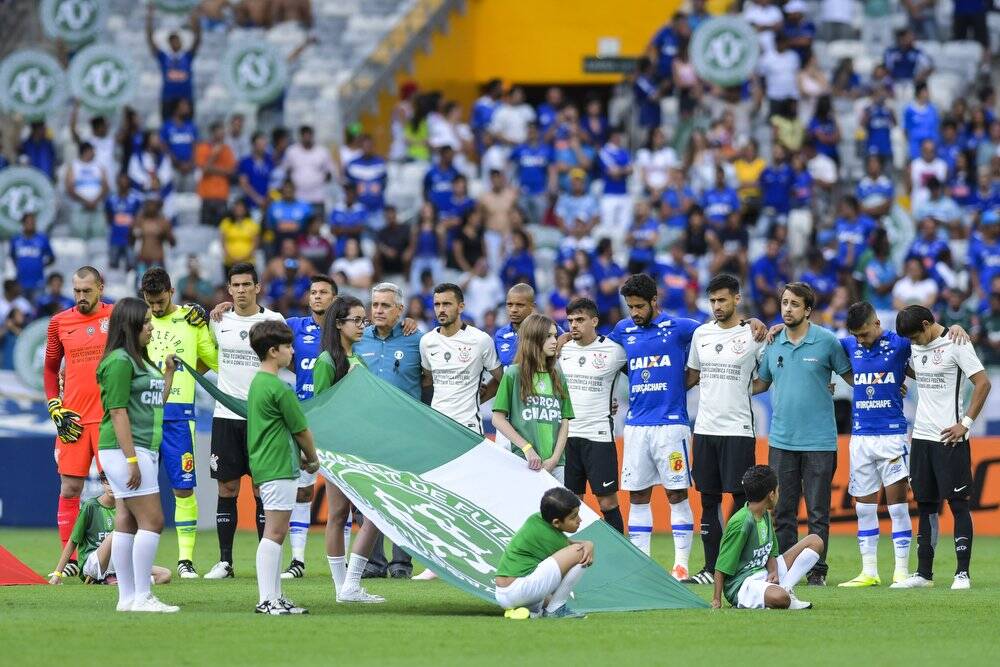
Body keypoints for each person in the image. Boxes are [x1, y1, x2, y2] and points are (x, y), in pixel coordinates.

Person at [836, 302, 963, 587]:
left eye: (865, 334)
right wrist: (776, 327)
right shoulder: (847, 344)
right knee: (863, 509)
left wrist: (954, 328)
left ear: (877, 324)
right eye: (856, 336)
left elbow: (930, 338)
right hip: (860, 437)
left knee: (897, 507)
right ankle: (869, 572)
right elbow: (815, 342)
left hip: (892, 435)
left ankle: (901, 571)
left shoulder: (900, 344)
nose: (860, 340)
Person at [753, 282, 853, 586]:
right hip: (781, 440)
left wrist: (886, 383)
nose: (787, 309)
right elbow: (761, 384)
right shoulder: (773, 343)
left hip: (820, 441)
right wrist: (726, 384)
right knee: (782, 510)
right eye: (784, 303)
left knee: (818, 512)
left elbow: (852, 376)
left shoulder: (827, 342)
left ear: (808, 310)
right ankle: (784, 569)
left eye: (795, 304)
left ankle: (816, 572)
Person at [892, 306, 992, 590]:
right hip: (921, 437)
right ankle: (924, 574)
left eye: (915, 337)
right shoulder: (916, 345)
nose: (912, 343)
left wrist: (966, 423)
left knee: (958, 504)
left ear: (926, 324)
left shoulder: (957, 342)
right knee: (925, 505)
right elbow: (921, 372)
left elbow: (983, 382)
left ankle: (962, 574)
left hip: (950, 437)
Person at [608, 273, 700, 577]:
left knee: (676, 494)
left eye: (638, 306)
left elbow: (714, 338)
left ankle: (681, 566)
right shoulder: (623, 330)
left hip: (671, 427)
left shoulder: (681, 327)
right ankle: (643, 567)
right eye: (629, 307)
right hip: (636, 427)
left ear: (653, 301)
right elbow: (600, 357)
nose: (633, 313)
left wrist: (679, 385)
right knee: (637, 494)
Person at [96, 297, 178, 612]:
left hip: (139, 447)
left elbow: (156, 400)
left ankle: (128, 598)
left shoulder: (140, 360)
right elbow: (117, 412)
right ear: (130, 326)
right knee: (153, 520)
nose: (151, 327)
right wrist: (132, 459)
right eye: (145, 322)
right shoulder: (119, 361)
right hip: (126, 449)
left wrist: (168, 373)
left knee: (128, 522)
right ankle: (143, 595)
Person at [204, 263, 286, 580]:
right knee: (227, 487)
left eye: (246, 284)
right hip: (225, 416)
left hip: (262, 418)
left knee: (262, 490)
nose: (240, 290)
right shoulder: (219, 321)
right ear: (229, 289)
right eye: (235, 285)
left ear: (257, 287)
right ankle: (225, 561)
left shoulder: (273, 321)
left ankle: (269, 560)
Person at [685, 275, 767, 585]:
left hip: (738, 428)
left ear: (737, 299)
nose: (717, 306)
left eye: (723, 300)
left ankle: (735, 565)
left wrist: (741, 391)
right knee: (708, 499)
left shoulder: (753, 335)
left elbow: (766, 379)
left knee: (740, 498)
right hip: (705, 429)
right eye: (713, 301)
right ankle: (709, 568)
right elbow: (692, 375)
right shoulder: (701, 334)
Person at [140, 268, 218, 578]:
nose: (156, 308)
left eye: (160, 301)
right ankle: (135, 558)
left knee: (182, 489)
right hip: (142, 414)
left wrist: (209, 324)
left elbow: (214, 361)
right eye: (150, 301)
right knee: (136, 491)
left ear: (171, 291)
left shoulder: (190, 320)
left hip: (178, 415)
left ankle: (185, 560)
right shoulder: (137, 322)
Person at [312, 295, 385, 603]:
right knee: (346, 515)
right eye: (357, 320)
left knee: (358, 515)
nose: (362, 325)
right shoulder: (327, 362)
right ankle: (346, 586)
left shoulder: (358, 358)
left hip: (359, 445)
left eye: (363, 320)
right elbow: (319, 410)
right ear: (339, 324)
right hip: (338, 448)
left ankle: (347, 588)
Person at [44, 267, 114, 578]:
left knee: (116, 490)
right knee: (70, 487)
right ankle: (70, 559)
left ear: (101, 287)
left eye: (87, 290)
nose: (81, 297)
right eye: (76, 291)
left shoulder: (117, 316)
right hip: (72, 418)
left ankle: (114, 556)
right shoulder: (59, 322)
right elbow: (49, 370)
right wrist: (53, 405)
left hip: (109, 416)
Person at [246, 320, 319, 615]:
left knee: (275, 533)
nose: (293, 351)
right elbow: (301, 430)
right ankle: (267, 599)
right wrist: (312, 459)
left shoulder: (257, 383)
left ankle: (275, 595)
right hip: (278, 467)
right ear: (274, 351)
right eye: (288, 346)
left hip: (268, 463)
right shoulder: (280, 387)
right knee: (274, 533)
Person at [354, 283, 423, 579]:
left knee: (402, 498)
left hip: (406, 433)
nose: (378, 310)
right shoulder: (358, 339)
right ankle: (375, 562)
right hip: (366, 431)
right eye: (375, 305)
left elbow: (430, 380)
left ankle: (401, 564)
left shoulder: (418, 340)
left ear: (400, 310)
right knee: (368, 496)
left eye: (385, 305)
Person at [283, 276, 336, 579]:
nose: (317, 297)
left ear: (334, 298)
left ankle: (340, 564)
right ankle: (298, 561)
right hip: (306, 418)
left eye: (323, 292)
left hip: (337, 418)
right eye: (313, 292)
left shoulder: (345, 328)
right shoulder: (293, 326)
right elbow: (258, 321)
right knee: (303, 492)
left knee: (341, 496)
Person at [558, 298, 626, 533]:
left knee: (607, 502)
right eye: (570, 321)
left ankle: (621, 559)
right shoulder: (562, 350)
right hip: (567, 437)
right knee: (570, 504)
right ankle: (573, 559)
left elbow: (639, 377)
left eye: (580, 320)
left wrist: (613, 401)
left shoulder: (615, 351)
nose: (573, 325)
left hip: (599, 437)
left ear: (594, 321)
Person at [712, 465, 823, 610]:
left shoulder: (765, 514)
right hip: (743, 584)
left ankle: (785, 589)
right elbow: (721, 566)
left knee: (815, 541)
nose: (778, 494)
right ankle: (783, 594)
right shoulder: (741, 523)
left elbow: (770, 552)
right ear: (771, 495)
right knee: (781, 598)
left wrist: (773, 572)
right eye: (777, 490)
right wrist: (716, 600)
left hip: (764, 572)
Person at [48, 472, 172, 586]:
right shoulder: (91, 506)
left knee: (165, 575)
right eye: (107, 482)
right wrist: (57, 574)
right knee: (118, 533)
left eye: (115, 482)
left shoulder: (126, 507)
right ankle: (110, 578)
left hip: (119, 562)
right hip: (92, 565)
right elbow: (73, 541)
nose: (111, 486)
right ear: (102, 483)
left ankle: (118, 581)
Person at [493, 313, 574, 483]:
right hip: (524, 462)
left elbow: (565, 421)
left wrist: (555, 459)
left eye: (556, 336)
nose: (555, 341)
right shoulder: (514, 374)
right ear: (534, 338)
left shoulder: (558, 375)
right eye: (548, 336)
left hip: (557, 464)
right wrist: (527, 448)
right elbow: (497, 419)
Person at [494, 487, 593, 620]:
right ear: (556, 522)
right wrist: (589, 545)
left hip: (503, 595)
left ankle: (530, 612)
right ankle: (556, 609)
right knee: (582, 553)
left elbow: (569, 544)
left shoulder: (536, 519)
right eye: (573, 517)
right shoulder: (553, 539)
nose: (579, 520)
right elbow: (576, 549)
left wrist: (587, 543)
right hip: (520, 589)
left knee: (548, 599)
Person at [421, 283, 503, 434]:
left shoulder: (480, 340)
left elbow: (504, 379)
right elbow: (428, 380)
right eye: (437, 304)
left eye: (446, 304)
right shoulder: (427, 341)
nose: (441, 309)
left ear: (461, 307)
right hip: (438, 426)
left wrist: (479, 398)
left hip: (469, 427)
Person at [147, 4, 201, 119]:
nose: (177, 43)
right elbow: (150, 41)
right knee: (167, 126)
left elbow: (198, 40)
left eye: (178, 40)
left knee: (188, 127)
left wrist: (196, 21)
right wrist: (149, 19)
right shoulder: (164, 57)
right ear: (170, 43)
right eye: (174, 41)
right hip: (168, 99)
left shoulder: (187, 56)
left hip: (186, 98)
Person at [64, 142, 109, 241]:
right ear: (85, 151)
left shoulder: (99, 166)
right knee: (79, 237)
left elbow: (105, 186)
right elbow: (70, 188)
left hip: (96, 206)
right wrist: (85, 201)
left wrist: (95, 201)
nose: (94, 153)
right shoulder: (74, 166)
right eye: (92, 151)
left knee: (98, 237)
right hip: (80, 207)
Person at [195, 121, 236, 227]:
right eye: (220, 132)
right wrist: (214, 155)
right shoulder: (203, 148)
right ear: (213, 133)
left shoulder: (227, 149)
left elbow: (230, 171)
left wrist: (211, 169)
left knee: (222, 226)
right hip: (207, 194)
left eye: (223, 132)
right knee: (205, 228)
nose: (222, 135)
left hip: (222, 195)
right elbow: (204, 169)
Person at [10, 212, 54, 302]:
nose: (30, 224)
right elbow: (12, 256)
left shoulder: (42, 239)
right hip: (20, 282)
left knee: (37, 310)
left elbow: (52, 257)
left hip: (38, 282)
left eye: (32, 222)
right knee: (22, 309)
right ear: (23, 223)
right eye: (28, 222)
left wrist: (41, 265)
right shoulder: (16, 239)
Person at [494, 283, 538, 368]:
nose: (513, 310)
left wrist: (564, 337)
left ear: (532, 306)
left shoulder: (545, 329)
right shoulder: (500, 335)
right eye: (509, 304)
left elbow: (567, 337)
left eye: (520, 305)